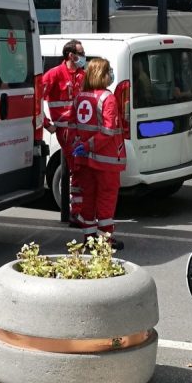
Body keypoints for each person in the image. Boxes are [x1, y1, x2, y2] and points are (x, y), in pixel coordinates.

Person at [71, 57, 127, 250]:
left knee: (88, 199)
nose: (110, 74)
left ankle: (88, 238)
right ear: (100, 75)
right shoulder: (107, 98)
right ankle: (104, 242)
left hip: (85, 160)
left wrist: (81, 147)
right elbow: (108, 131)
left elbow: (73, 126)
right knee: (106, 199)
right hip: (106, 160)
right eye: (108, 71)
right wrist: (89, 146)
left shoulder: (80, 97)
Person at [40, 40, 87, 225]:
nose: (84, 56)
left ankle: (81, 212)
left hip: (82, 129)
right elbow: (36, 100)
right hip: (66, 130)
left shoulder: (83, 75)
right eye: (81, 53)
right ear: (70, 55)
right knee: (77, 168)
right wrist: (46, 124)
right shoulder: (54, 75)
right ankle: (77, 213)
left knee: (82, 169)